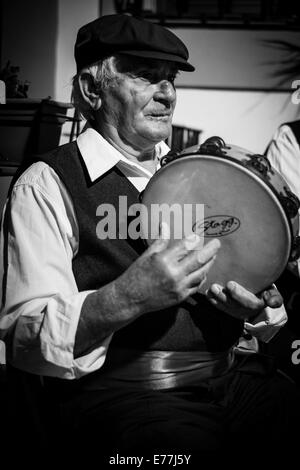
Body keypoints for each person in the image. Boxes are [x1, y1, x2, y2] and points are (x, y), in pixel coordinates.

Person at [0, 14, 298, 462]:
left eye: (171, 78)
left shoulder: (195, 170)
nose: (167, 92)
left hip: (234, 378)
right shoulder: (47, 183)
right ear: (90, 88)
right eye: (144, 74)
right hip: (128, 400)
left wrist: (254, 309)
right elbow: (25, 335)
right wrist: (128, 296)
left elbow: (235, 283)